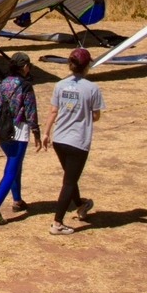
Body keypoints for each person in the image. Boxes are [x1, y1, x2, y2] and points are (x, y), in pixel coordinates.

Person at [42, 48, 104, 235]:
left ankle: (81, 205)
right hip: (78, 141)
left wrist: (46, 133)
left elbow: (53, 111)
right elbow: (96, 115)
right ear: (87, 65)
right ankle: (57, 223)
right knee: (69, 182)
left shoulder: (60, 85)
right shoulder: (92, 89)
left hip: (60, 138)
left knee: (71, 177)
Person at [0, 52, 42, 225]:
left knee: (15, 164)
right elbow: (31, 112)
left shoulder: (3, 84)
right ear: (25, 67)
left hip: (1, 131)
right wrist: (36, 133)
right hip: (18, 132)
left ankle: (17, 200)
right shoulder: (26, 86)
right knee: (11, 170)